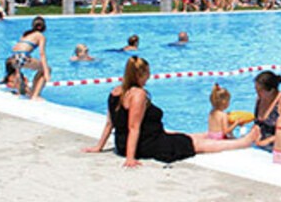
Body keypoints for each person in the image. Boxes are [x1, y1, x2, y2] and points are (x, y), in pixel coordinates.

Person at [83, 57, 259, 166]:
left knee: (185, 136)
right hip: (146, 145)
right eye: (147, 73)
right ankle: (242, 143)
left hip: (128, 142)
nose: (149, 77)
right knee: (195, 145)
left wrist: (99, 147)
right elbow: (133, 127)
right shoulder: (138, 95)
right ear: (139, 75)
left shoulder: (115, 92)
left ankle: (218, 136)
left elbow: (110, 123)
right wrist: (130, 157)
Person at [9, 16, 50, 100]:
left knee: (40, 68)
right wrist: (46, 72)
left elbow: (18, 48)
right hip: (22, 57)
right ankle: (35, 95)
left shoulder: (26, 34)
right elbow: (42, 54)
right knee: (47, 69)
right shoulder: (40, 36)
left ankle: (32, 92)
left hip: (12, 59)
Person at [252, 70, 281, 147]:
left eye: (260, 91)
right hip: (259, 142)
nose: (257, 93)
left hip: (278, 144)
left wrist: (267, 141)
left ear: (272, 91)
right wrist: (255, 130)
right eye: (256, 90)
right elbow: (258, 123)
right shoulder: (259, 98)